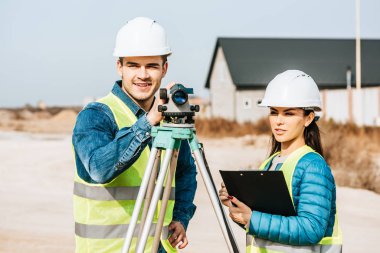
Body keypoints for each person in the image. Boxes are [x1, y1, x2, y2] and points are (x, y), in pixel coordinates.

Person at [72, 17, 197, 253]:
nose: (143, 75)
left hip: (156, 247)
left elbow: (186, 171)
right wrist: (148, 122)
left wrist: (181, 216)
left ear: (164, 68)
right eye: (133, 65)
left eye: (151, 66)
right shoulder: (96, 116)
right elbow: (99, 169)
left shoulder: (169, 118)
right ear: (119, 66)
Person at [219, 70, 343, 253]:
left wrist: (252, 218)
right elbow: (268, 230)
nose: (278, 121)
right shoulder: (270, 163)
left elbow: (312, 228)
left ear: (308, 118)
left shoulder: (313, 167)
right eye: (274, 112)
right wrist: (238, 209)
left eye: (289, 114)